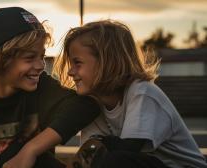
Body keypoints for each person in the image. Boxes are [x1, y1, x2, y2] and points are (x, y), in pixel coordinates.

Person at [0, 7, 100, 168]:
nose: (41, 65)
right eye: (29, 58)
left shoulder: (42, 87)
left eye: (42, 56)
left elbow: (87, 105)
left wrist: (30, 150)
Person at [54, 20, 207, 168]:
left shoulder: (142, 93)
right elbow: (88, 156)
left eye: (77, 63)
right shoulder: (93, 105)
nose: (70, 71)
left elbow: (127, 151)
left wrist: (100, 144)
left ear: (107, 62)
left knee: (114, 160)